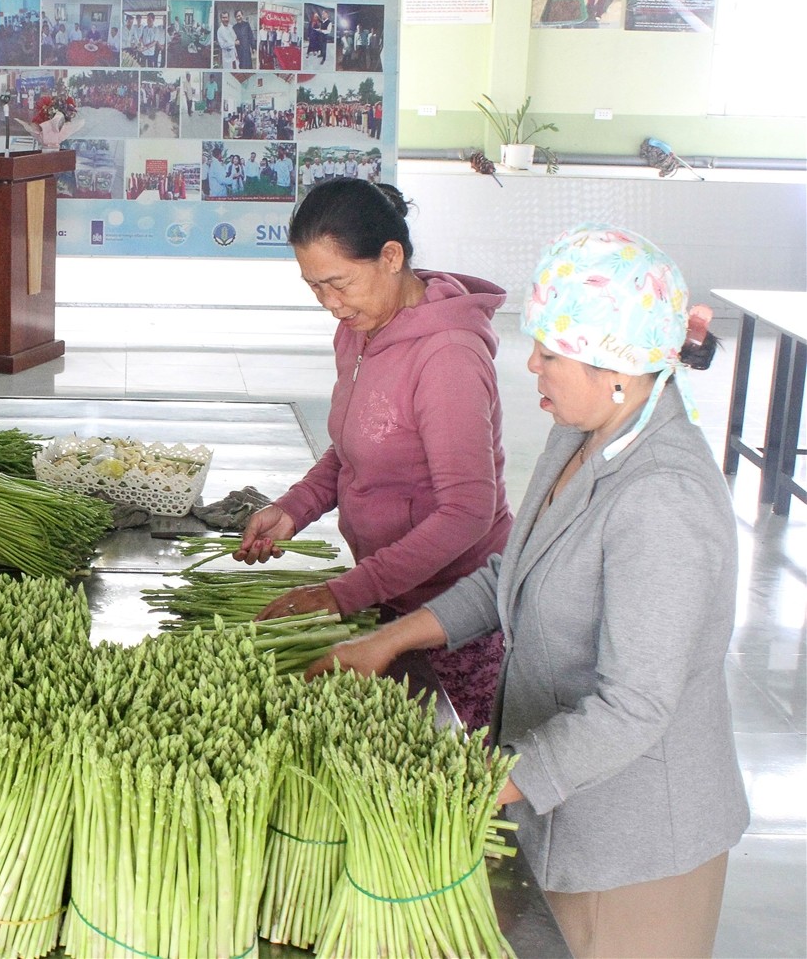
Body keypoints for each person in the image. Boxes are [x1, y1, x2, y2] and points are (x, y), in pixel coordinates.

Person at [308, 224, 747, 958]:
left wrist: (488, 776)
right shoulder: (582, 434)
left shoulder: (663, 497)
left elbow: (636, 705)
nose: (531, 361)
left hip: (636, 844)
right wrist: (387, 638)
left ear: (619, 364)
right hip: (563, 810)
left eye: (551, 348)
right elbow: (509, 574)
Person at [235, 179, 512, 727]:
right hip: (390, 592)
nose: (331, 305)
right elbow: (356, 445)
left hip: (452, 613)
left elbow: (467, 512)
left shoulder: (447, 356)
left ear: (391, 257)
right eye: (315, 288)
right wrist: (295, 507)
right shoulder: (359, 330)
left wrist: (345, 593)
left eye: (340, 283)